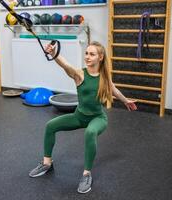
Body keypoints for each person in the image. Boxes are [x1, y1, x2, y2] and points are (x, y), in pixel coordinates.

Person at [28, 41, 137, 194]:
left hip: (98, 118)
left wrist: (125, 100)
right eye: (86, 53)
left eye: (92, 54)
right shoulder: (80, 74)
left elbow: (113, 89)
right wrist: (54, 54)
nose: (87, 57)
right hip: (79, 116)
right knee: (50, 125)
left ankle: (87, 174)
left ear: (100, 57)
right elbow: (66, 65)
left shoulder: (104, 76)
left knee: (90, 132)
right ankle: (47, 163)